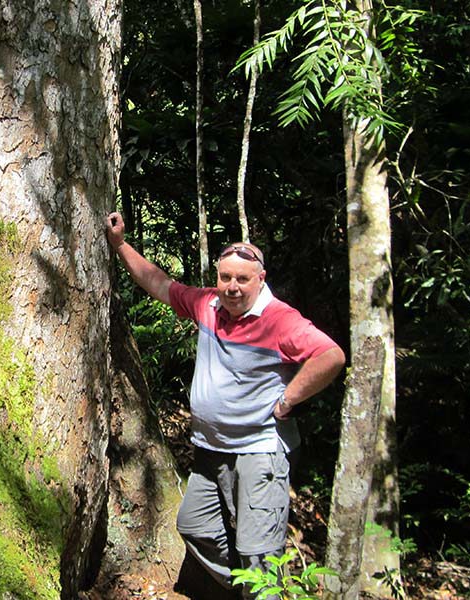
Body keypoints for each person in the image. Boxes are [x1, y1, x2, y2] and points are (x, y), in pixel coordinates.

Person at [105, 212, 345, 597]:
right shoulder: (208, 306)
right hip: (212, 449)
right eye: (225, 277)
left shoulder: (280, 320)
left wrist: (288, 399)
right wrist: (119, 245)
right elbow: (160, 283)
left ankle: (258, 591)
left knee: (258, 553)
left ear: (260, 280)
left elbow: (330, 356)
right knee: (195, 525)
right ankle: (240, 590)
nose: (232, 287)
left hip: (260, 451)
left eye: (242, 279)